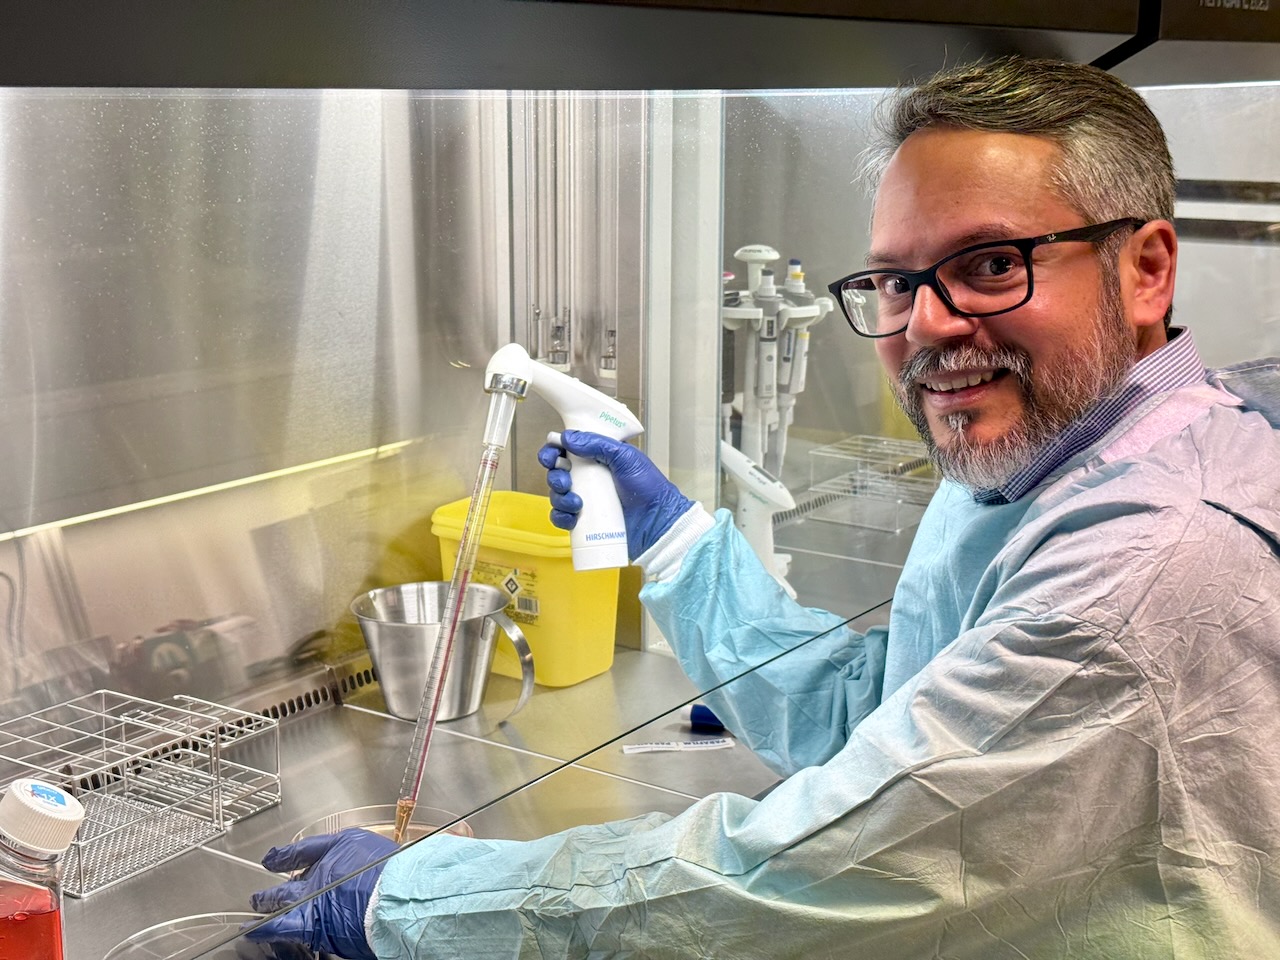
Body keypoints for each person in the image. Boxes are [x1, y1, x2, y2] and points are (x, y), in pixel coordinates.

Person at [246, 56, 1280, 958]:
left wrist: (408, 901)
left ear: (1143, 269)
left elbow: (795, 876)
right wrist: (679, 543)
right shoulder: (1057, 459)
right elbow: (876, 718)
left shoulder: (1142, 569)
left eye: (987, 265)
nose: (926, 324)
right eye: (894, 279)